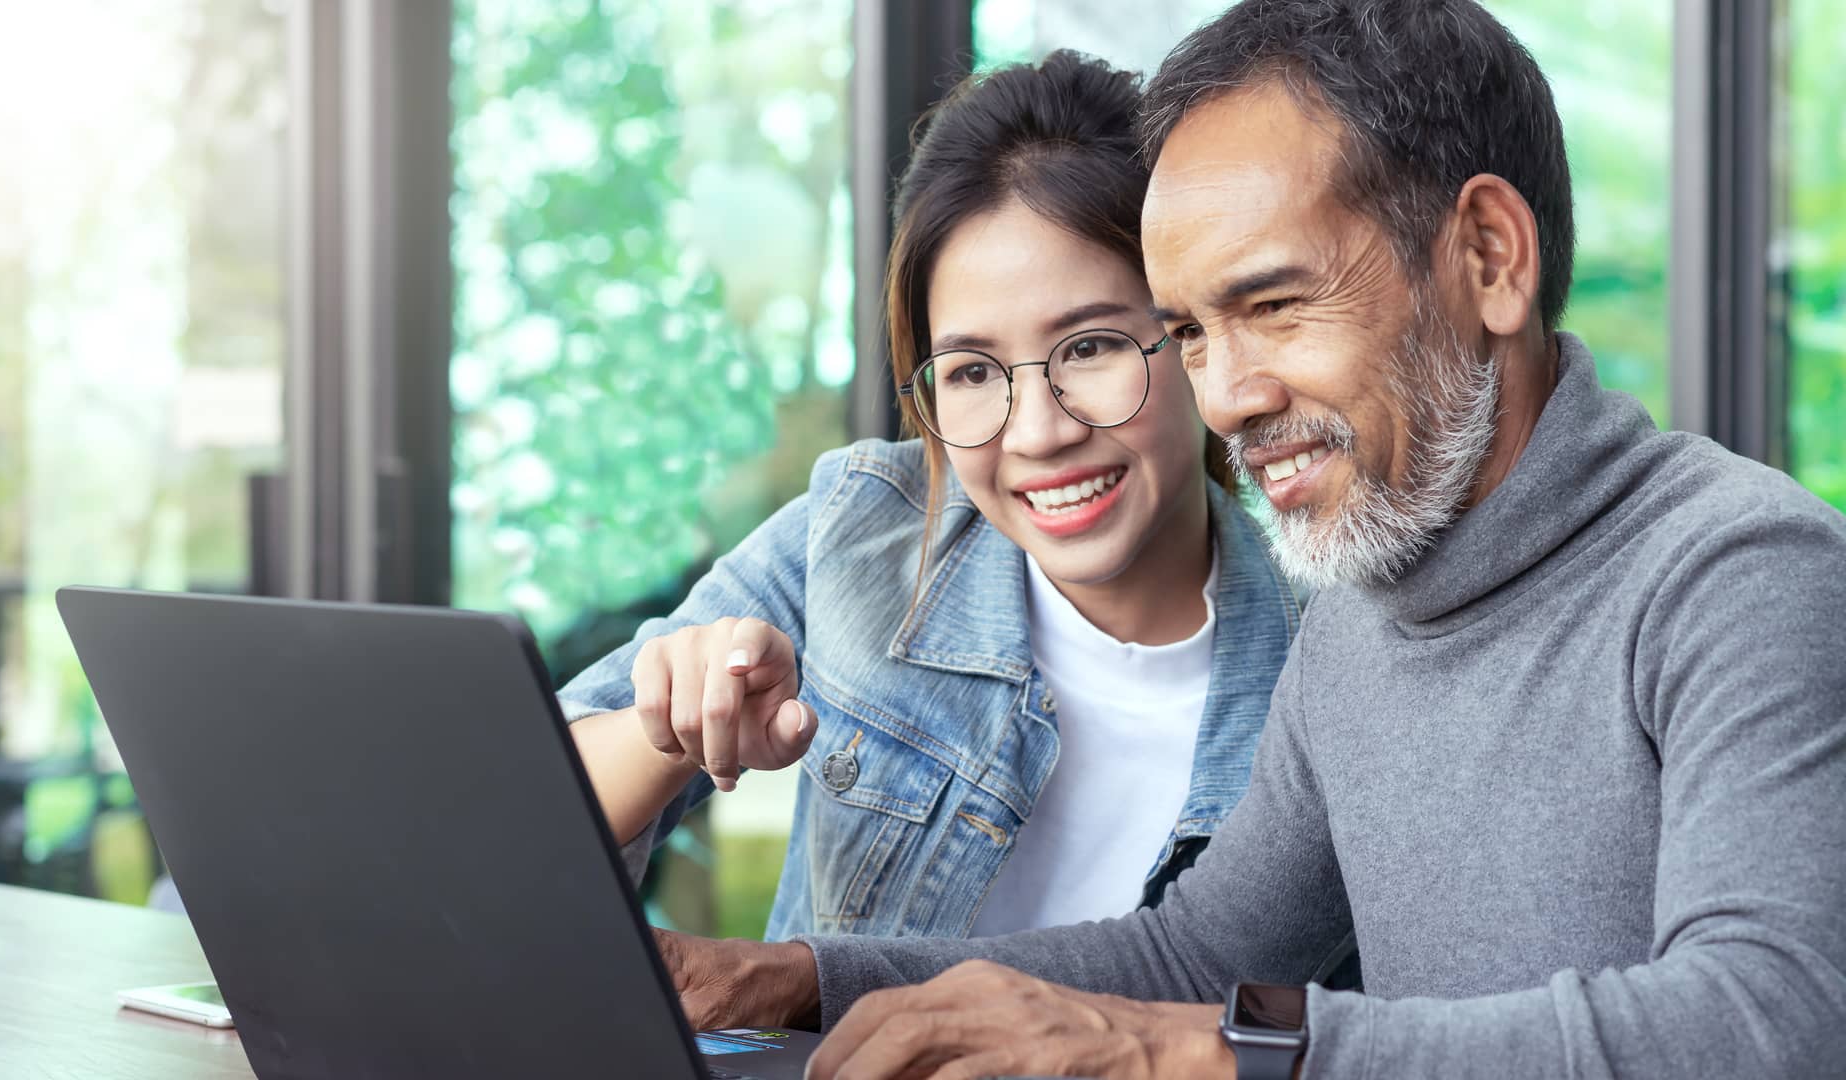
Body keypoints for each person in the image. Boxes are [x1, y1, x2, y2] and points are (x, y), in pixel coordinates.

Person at [649, 2, 1846, 1077]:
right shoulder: (1364, 630)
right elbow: (1197, 953)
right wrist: (799, 977)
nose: (1225, 398)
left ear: (1488, 258)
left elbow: (1770, 1021)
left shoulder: (1741, 574)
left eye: (1272, 305)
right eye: (1191, 333)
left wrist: (1199, 1054)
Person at [559, 51, 1303, 950]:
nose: (1036, 433)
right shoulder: (864, 530)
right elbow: (512, 819)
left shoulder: (1323, 659)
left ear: (1191, 335)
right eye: (973, 372)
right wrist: (670, 729)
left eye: (1091, 348)